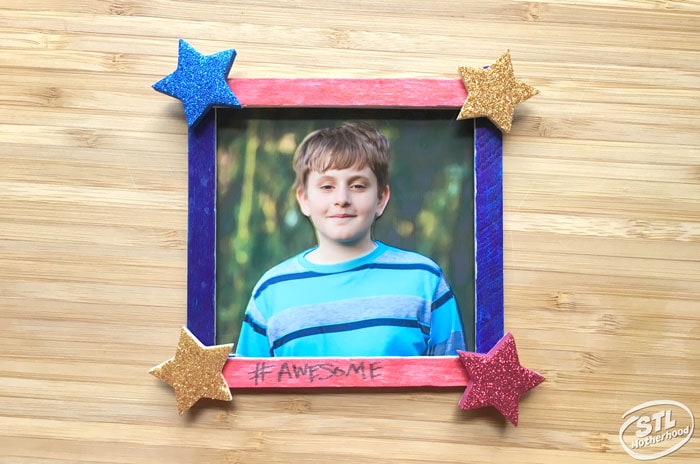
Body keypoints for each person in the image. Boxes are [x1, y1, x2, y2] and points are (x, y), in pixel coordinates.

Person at [235, 122, 466, 357]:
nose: (342, 199)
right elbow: (250, 391)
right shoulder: (272, 291)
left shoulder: (425, 281)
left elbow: (454, 388)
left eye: (357, 185)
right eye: (327, 186)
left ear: (381, 199)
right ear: (304, 199)